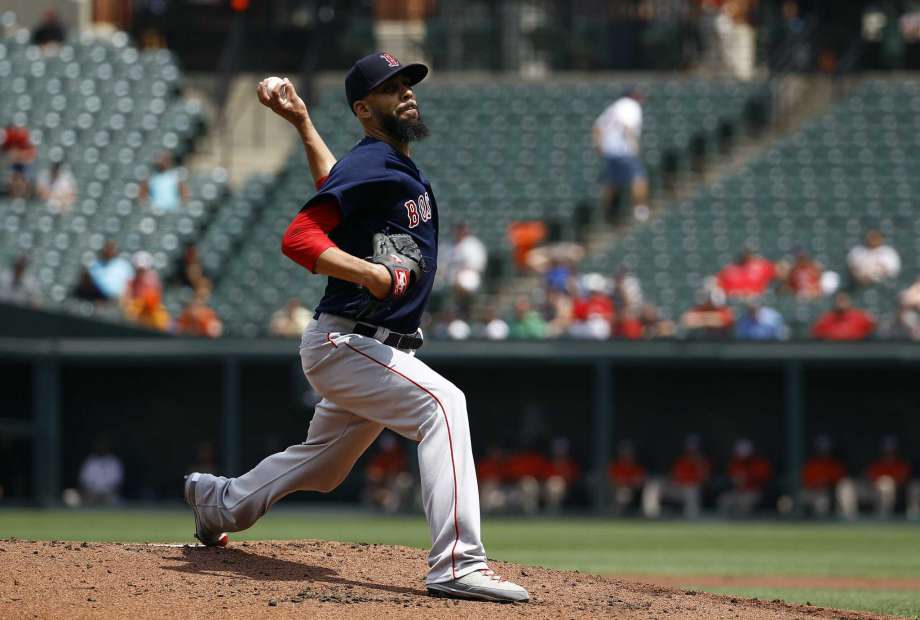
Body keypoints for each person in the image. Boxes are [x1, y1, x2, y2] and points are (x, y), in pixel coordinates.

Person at [183, 55, 529, 602]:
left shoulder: (385, 164)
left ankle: (220, 502)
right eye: (390, 89)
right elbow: (299, 237)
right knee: (443, 405)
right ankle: (457, 564)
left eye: (407, 84)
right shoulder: (376, 162)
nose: (406, 93)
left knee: (323, 467)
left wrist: (302, 124)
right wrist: (368, 272)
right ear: (365, 109)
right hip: (348, 341)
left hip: (367, 346)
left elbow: (334, 184)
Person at [593, 87, 649, 224]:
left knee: (611, 183)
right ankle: (640, 210)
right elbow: (627, 125)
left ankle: (606, 213)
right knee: (639, 178)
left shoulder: (613, 107)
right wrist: (633, 144)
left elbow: (597, 127)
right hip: (624, 150)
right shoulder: (630, 105)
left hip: (610, 151)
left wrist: (599, 145)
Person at [837, 436, 914, 519]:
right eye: (886, 452)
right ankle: (849, 519)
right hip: (871, 490)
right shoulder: (875, 465)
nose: (888, 454)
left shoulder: (901, 466)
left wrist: (882, 482)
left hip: (890, 494)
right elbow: (866, 479)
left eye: (891, 452)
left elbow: (901, 483)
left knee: (886, 484)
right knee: (846, 484)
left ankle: (882, 518)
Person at [642, 434, 710, 518]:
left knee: (691, 489)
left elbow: (705, 478)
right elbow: (673, 475)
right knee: (654, 484)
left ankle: (691, 518)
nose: (692, 449)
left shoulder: (702, 461)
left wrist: (698, 463)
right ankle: (651, 515)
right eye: (690, 446)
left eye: (694, 446)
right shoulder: (682, 460)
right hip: (678, 488)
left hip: (691, 489)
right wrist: (670, 481)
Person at [717, 438, 772, 517]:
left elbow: (764, 482)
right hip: (738, 492)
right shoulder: (735, 462)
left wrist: (748, 479)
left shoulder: (760, 463)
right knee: (723, 500)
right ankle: (725, 524)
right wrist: (735, 481)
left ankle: (743, 524)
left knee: (744, 502)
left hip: (754, 492)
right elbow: (731, 480)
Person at [363, 432, 414, 513]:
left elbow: (402, 473)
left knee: (404, 480)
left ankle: (402, 510)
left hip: (393, 486)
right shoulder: (379, 458)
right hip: (382, 485)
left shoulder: (398, 455)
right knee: (373, 493)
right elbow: (372, 475)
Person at [443, 222, 487, 316]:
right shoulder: (448, 245)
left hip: (469, 274)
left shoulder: (474, 245)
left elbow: (478, 266)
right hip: (450, 275)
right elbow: (442, 264)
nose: (460, 232)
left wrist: (460, 273)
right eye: (458, 230)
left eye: (462, 230)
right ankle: (456, 308)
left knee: (465, 282)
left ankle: (464, 307)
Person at [122, 251, 171, 331]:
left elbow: (155, 302)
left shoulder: (154, 281)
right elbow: (127, 304)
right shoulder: (130, 283)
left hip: (151, 319)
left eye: (142, 269)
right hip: (137, 320)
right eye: (138, 269)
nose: (140, 272)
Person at [799, 435, 847, 517]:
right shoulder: (811, 465)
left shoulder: (835, 465)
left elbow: (840, 483)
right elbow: (805, 483)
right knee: (789, 502)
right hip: (811, 492)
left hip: (828, 493)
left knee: (822, 500)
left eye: (826, 449)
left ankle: (822, 525)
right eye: (821, 449)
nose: (824, 452)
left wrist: (826, 484)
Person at [78, 436, 124, 506]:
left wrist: (110, 492)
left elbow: (118, 482)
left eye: (104, 446)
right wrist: (90, 492)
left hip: (109, 493)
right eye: (100, 446)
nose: (102, 448)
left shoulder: (114, 461)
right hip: (92, 493)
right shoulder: (90, 461)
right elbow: (84, 481)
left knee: (114, 501)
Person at [811, 292, 876, 341]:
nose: (841, 303)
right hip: (832, 352)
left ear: (849, 301)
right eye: (840, 300)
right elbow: (816, 332)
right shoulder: (827, 319)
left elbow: (871, 330)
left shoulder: (860, 317)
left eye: (843, 300)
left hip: (856, 351)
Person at [607, 441, 647, 515]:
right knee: (621, 493)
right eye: (624, 453)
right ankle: (612, 515)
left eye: (628, 453)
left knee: (623, 493)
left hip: (633, 492)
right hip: (613, 491)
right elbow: (610, 480)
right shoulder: (615, 466)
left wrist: (627, 482)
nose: (626, 455)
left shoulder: (636, 468)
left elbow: (639, 482)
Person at [543, 437, 579, 514]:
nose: (559, 451)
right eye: (557, 448)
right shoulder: (547, 463)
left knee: (556, 484)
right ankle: (531, 515)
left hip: (564, 491)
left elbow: (573, 481)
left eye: (562, 448)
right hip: (544, 490)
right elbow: (542, 478)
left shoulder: (570, 464)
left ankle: (553, 512)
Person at [2, 124, 37, 198]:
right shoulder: (7, 145)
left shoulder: (25, 145)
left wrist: (18, 157)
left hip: (22, 169)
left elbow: (32, 155)